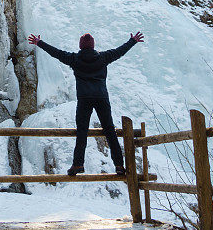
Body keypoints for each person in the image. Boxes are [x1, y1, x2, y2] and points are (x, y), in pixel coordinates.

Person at [28, 31, 144, 176]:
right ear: (93, 46)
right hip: (101, 97)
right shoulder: (103, 57)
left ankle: (78, 164)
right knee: (109, 131)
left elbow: (56, 53)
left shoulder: (75, 59)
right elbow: (120, 51)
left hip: (84, 99)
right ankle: (119, 165)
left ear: (81, 46)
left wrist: (39, 43)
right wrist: (132, 41)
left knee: (82, 131)